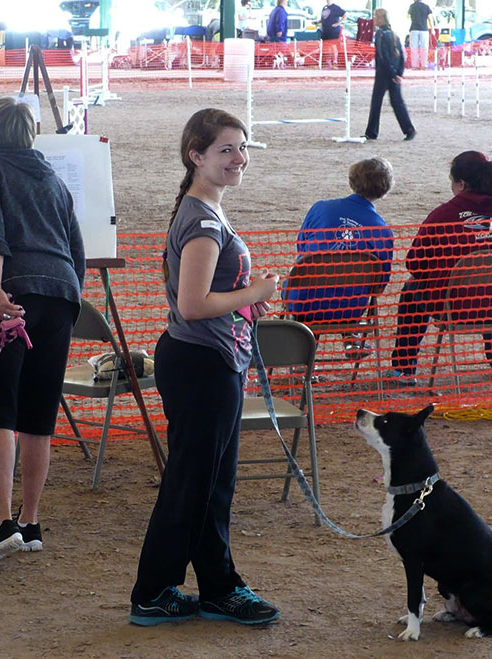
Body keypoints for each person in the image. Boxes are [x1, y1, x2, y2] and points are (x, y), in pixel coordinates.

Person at [130, 108, 280, 627]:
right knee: (194, 484)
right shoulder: (200, 220)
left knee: (211, 483)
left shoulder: (205, 212)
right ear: (196, 156)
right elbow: (192, 305)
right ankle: (155, 590)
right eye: (226, 150)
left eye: (242, 148)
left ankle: (217, 586)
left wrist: (242, 302)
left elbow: (202, 298)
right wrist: (255, 291)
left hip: (210, 360)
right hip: (202, 364)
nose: (238, 158)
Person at [0, 97, 85, 567]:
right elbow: (76, 249)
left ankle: (0, 523)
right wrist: (67, 301)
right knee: (38, 416)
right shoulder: (53, 179)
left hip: (9, 297)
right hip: (59, 296)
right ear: (30, 134)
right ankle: (30, 521)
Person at [388, 151, 492, 386]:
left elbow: (415, 264)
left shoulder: (444, 215)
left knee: (412, 289)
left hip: (458, 308)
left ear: (461, 183)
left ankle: (404, 367)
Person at [287, 157, 395, 360]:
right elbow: (378, 286)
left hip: (304, 301)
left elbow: (301, 249)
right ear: (385, 189)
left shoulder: (321, 208)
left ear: (352, 180)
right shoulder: (383, 231)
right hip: (350, 308)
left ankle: (305, 365)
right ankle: (350, 334)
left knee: (314, 282)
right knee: (347, 283)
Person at [363, 8, 416, 142]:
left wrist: (392, 73)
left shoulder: (380, 34)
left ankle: (371, 132)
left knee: (376, 103)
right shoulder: (394, 34)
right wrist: (399, 73)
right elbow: (402, 56)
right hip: (394, 74)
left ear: (380, 19)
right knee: (397, 103)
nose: (374, 19)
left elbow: (382, 56)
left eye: (376, 17)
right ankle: (409, 129)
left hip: (383, 74)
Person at [408, 0, 433, 70]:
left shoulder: (412, 6)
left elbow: (408, 16)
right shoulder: (426, 6)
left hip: (414, 29)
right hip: (424, 29)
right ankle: (424, 65)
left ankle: (414, 66)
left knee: (414, 48)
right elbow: (430, 18)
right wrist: (432, 28)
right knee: (424, 48)